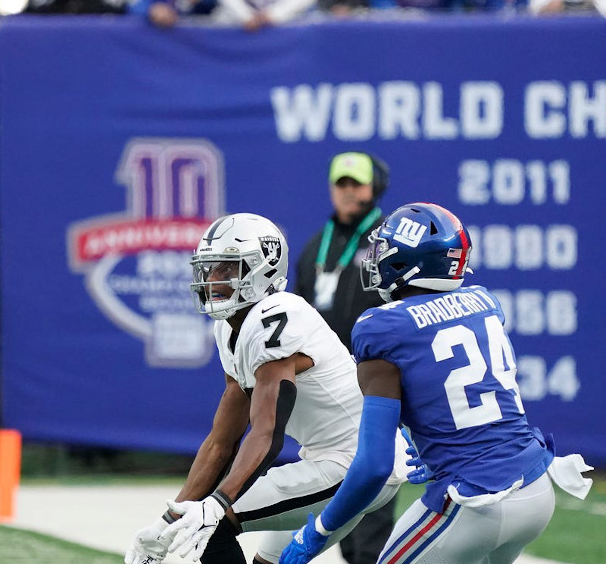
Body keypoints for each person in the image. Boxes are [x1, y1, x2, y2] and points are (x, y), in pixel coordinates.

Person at [279, 202, 593, 564]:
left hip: (473, 501)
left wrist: (317, 533)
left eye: (384, 250)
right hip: (535, 487)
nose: (375, 259)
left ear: (408, 261)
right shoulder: (484, 302)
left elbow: (374, 466)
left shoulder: (381, 326)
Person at [125, 213, 409, 564]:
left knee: (209, 526)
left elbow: (267, 434)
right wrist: (170, 517)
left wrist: (214, 505)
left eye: (226, 269)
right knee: (216, 532)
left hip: (357, 465)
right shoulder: (230, 327)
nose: (212, 280)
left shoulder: (276, 316)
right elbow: (221, 442)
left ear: (263, 270)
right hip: (329, 460)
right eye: (209, 269)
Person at [293, 152, 395, 564]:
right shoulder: (318, 244)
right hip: (328, 383)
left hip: (378, 379)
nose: (349, 192)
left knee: (376, 472)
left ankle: (368, 558)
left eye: (357, 184)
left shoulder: (390, 240)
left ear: (375, 188)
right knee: (337, 475)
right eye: (342, 184)